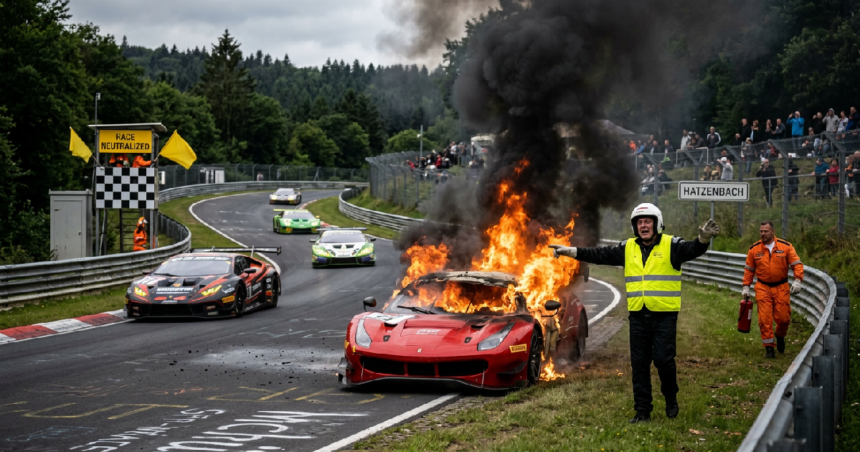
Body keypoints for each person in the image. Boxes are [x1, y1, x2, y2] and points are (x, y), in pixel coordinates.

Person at [549, 204, 720, 423]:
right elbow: (599, 254)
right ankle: (642, 411)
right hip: (638, 316)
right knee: (639, 364)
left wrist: (703, 240)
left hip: (664, 316)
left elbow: (692, 250)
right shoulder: (627, 247)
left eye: (647, 221)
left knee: (663, 360)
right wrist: (570, 252)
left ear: (656, 223)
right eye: (639, 222)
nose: (643, 225)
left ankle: (671, 399)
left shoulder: (671, 244)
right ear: (634, 226)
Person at [742, 221, 803, 358]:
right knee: (764, 319)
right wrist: (746, 287)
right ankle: (769, 348)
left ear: (773, 232)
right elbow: (749, 270)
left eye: (766, 231)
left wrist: (798, 280)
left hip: (781, 287)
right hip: (763, 287)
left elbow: (797, 264)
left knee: (783, 318)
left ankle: (780, 335)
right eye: (761, 231)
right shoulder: (754, 249)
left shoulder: (786, 247)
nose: (763, 234)